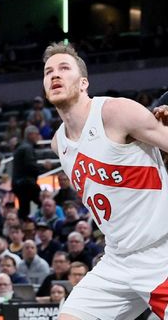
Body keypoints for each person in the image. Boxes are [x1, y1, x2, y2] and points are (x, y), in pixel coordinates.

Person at [45, 42, 168, 320]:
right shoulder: (58, 144)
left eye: (64, 69)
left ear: (83, 82)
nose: (55, 75)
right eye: (48, 71)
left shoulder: (116, 113)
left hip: (162, 252)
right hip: (116, 259)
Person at [13, 125, 43, 219]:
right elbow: (30, 165)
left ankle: (24, 225)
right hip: (26, 183)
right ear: (30, 135)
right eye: (37, 134)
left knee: (24, 208)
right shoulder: (27, 148)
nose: (38, 136)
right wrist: (43, 167)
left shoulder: (21, 147)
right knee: (44, 202)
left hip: (18, 183)